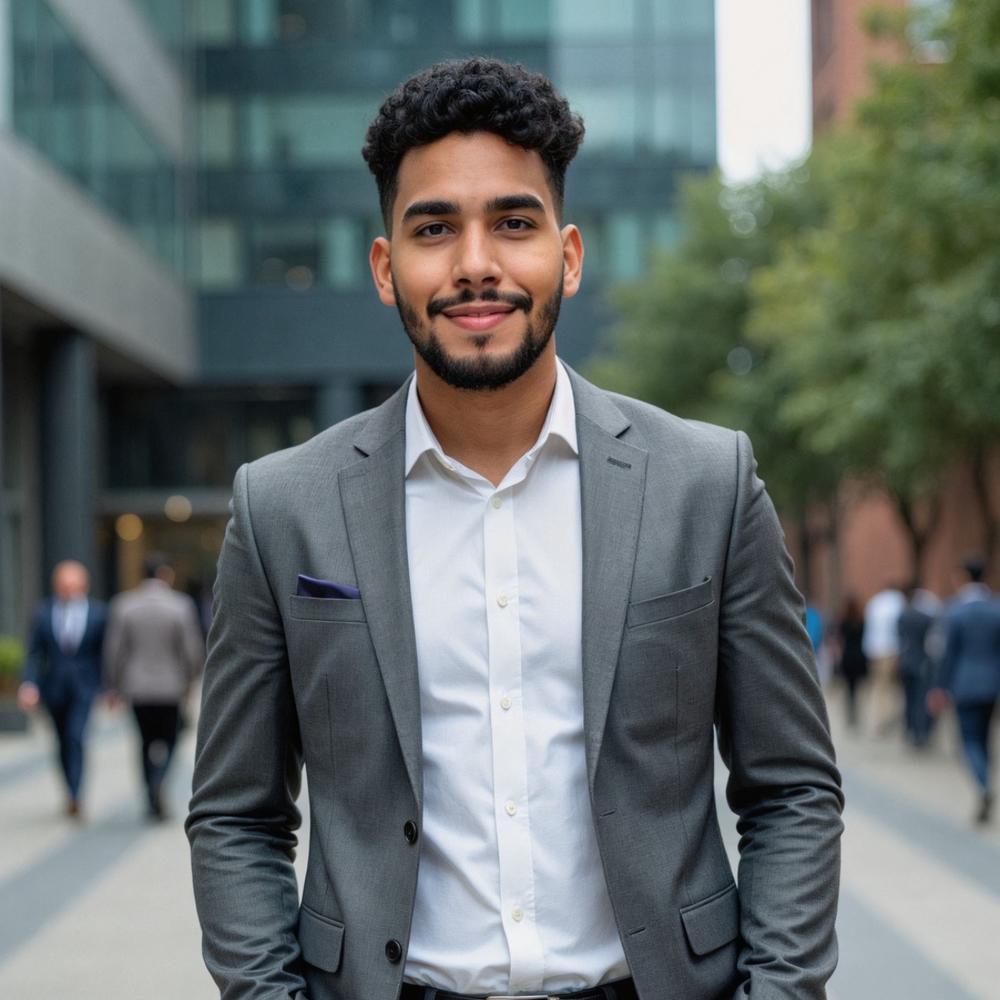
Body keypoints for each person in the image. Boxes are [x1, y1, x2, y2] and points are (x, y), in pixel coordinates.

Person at [187, 58, 843, 1000]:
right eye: (433, 229)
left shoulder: (708, 482)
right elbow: (237, 816)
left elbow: (792, 791)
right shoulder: (282, 506)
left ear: (568, 255)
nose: (475, 263)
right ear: (385, 268)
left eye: (513, 222)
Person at [104, 555, 205, 819]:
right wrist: (191, 680)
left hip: (136, 687)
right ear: (165, 574)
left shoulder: (124, 605)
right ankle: (159, 780)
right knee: (171, 739)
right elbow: (191, 649)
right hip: (171, 687)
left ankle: (150, 791)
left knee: (143, 741)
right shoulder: (180, 605)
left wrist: (113, 686)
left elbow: (114, 651)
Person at [18, 560, 106, 818]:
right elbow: (34, 653)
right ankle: (69, 788)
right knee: (61, 741)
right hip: (53, 688)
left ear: (84, 586)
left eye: (74, 586)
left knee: (76, 737)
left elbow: (105, 654)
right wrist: (29, 684)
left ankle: (76, 794)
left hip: (84, 688)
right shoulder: (43, 613)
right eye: (64, 586)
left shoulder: (98, 613)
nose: (69, 591)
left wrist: (108, 687)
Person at [928, 556, 1000, 824]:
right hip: (992, 685)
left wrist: (939, 688)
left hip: (964, 684)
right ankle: (986, 782)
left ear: (964, 578)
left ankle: (982, 785)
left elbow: (947, 655)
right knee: (985, 739)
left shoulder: (954, 611)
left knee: (968, 741)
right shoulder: (996, 609)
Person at [862, 582, 905, 736]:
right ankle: (884, 721)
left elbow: (869, 630)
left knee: (878, 686)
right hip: (890, 650)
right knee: (889, 688)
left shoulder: (874, 603)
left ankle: (878, 721)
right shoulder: (897, 602)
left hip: (875, 650)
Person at [897, 581, 934, 748]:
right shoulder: (926, 618)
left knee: (907, 698)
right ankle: (921, 732)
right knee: (919, 698)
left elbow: (899, 637)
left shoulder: (902, 616)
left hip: (906, 660)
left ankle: (909, 729)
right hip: (921, 661)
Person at [836, 594, 869, 729]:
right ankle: (855, 713)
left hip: (847, 657)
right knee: (856, 687)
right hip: (859, 657)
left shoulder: (843, 621)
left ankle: (850, 714)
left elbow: (840, 640)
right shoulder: (861, 621)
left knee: (848, 687)